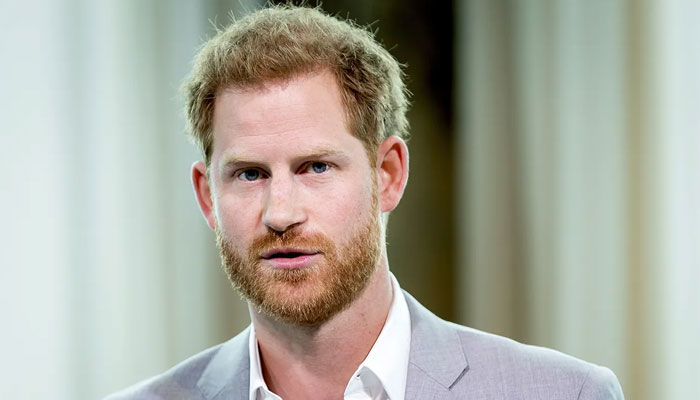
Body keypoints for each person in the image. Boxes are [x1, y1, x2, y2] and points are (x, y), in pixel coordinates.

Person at [107, 5, 623, 400]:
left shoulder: (563, 394)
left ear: (390, 175)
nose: (280, 213)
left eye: (316, 167)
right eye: (249, 174)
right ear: (207, 195)